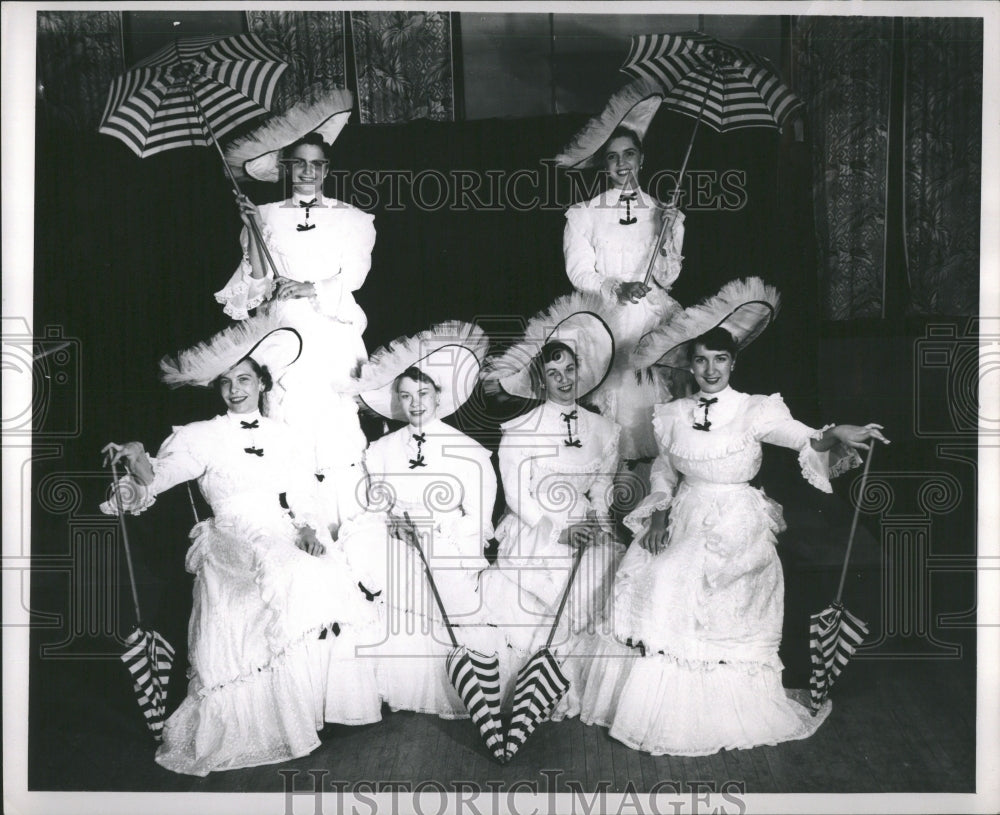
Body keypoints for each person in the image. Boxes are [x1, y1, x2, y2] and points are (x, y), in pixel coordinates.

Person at [577, 278, 890, 756]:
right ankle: (665, 710)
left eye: (720, 359)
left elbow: (804, 437)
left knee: (708, 596)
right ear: (689, 364)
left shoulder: (754, 409)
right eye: (701, 359)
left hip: (737, 519)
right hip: (685, 511)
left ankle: (723, 706)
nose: (709, 369)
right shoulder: (672, 413)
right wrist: (658, 513)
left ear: (733, 363)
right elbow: (665, 468)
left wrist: (834, 433)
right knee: (653, 576)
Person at [101, 325, 381, 776]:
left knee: (325, 570)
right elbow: (158, 478)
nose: (235, 389)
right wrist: (138, 461)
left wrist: (309, 527)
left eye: (244, 380)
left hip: (283, 527)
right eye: (227, 382)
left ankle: (313, 708)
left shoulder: (285, 434)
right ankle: (272, 720)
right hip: (232, 533)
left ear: (262, 384)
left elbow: (303, 490)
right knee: (283, 571)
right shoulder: (200, 436)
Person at [217, 95, 374, 531]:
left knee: (335, 423)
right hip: (284, 331)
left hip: (329, 326)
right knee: (288, 418)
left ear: (327, 169)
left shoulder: (352, 218)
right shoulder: (264, 213)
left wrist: (310, 287)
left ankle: (350, 528)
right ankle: (304, 526)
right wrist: (251, 229)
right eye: (299, 163)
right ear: (286, 168)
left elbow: (356, 276)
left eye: (317, 164)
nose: (308, 171)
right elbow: (258, 280)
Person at [337, 321, 499, 718]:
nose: (414, 403)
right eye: (405, 395)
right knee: (385, 572)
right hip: (397, 543)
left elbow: (478, 519)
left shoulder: (468, 451)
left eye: (423, 393)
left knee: (449, 584)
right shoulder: (381, 451)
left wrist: (437, 532)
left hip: (450, 544)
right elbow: (373, 505)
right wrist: (392, 523)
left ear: (439, 396)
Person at [476, 297, 625, 713]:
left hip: (585, 526)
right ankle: (536, 691)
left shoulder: (604, 429)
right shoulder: (521, 429)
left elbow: (601, 487)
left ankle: (585, 685)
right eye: (553, 373)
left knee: (606, 575)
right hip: (537, 526)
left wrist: (598, 524)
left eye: (569, 370)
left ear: (581, 371)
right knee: (546, 589)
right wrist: (559, 530)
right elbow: (516, 492)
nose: (563, 379)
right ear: (540, 380)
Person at [563, 125, 688, 460]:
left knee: (661, 405)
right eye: (612, 156)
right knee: (616, 410)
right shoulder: (584, 214)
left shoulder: (664, 211)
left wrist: (669, 229)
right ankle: (619, 486)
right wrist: (618, 289)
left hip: (654, 319)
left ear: (641, 158)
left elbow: (669, 276)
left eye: (628, 154)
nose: (621, 163)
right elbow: (579, 272)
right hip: (610, 318)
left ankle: (657, 486)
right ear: (604, 165)